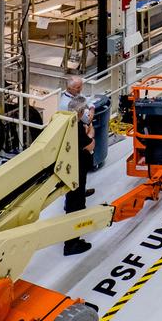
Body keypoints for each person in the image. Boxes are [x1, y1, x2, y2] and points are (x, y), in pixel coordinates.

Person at [63, 96, 96, 255]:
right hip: (77, 170)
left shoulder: (66, 123)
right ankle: (71, 244)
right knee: (77, 205)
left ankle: (72, 240)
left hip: (69, 170)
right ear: (81, 112)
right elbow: (90, 146)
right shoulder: (76, 127)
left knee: (72, 201)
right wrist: (90, 134)